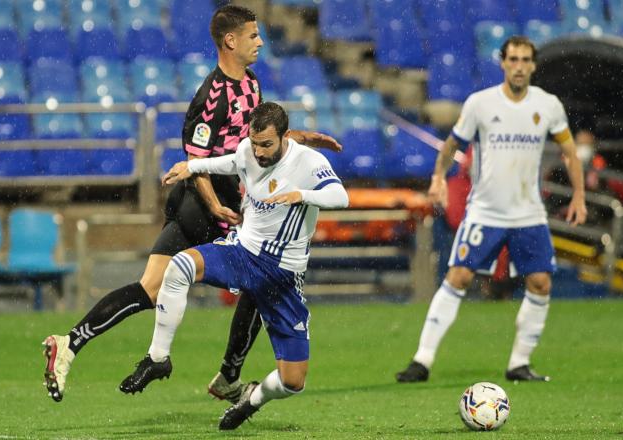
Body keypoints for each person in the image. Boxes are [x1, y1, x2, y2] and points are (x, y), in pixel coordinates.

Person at [42, 5, 341, 403]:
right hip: (203, 207)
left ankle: (69, 344)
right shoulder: (211, 96)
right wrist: (216, 206)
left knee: (150, 289)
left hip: (204, 206)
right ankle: (229, 377)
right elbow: (196, 161)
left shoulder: (250, 84)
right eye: (253, 36)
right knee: (261, 281)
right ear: (230, 41)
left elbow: (253, 138)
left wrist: (299, 137)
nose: (260, 42)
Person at [120, 102, 349, 430]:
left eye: (266, 144)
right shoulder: (248, 151)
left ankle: (252, 399)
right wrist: (193, 167)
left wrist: (302, 195)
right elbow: (231, 160)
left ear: (285, 137)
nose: (258, 152)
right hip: (244, 254)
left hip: (281, 275)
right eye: (254, 143)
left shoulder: (309, 162)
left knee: (292, 382)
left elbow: (341, 196)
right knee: (181, 265)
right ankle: (158, 358)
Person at [395, 36, 587, 383]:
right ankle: (421, 360)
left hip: (529, 214)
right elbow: (453, 143)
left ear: (533, 65)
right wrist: (439, 177)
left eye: (525, 59)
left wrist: (579, 196)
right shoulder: (481, 103)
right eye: (512, 59)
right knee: (459, 277)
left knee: (541, 283)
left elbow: (570, 152)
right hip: (486, 212)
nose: (518, 65)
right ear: (503, 63)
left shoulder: (548, 105)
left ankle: (519, 363)